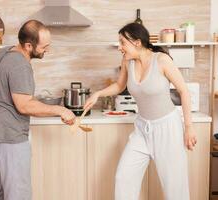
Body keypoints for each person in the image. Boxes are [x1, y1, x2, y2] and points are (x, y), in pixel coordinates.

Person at [84, 22, 197, 200]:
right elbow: (120, 85)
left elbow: (183, 91)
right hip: (142, 129)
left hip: (167, 128)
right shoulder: (127, 61)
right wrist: (98, 93)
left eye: (123, 43)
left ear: (136, 42)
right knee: (124, 177)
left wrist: (188, 127)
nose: (120, 47)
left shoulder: (161, 60)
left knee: (174, 186)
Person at [0, 20, 75, 200]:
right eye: (44, 46)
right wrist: (60, 110)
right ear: (29, 45)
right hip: (9, 138)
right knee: (18, 195)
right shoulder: (20, 65)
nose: (48, 50)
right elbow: (24, 105)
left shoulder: (4, 53)